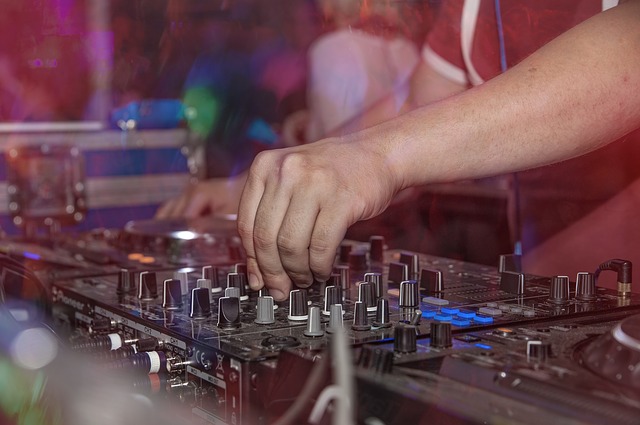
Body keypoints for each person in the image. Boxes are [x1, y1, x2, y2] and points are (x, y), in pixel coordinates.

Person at [236, 0, 640, 301]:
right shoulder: (473, 9)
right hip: (549, 306)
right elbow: (415, 108)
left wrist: (381, 157)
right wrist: (290, 172)